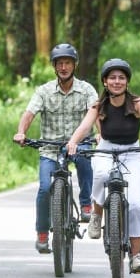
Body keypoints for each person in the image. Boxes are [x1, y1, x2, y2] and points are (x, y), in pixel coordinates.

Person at [66, 58, 140, 274]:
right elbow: (84, 127)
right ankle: (97, 214)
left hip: (132, 152)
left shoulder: (138, 103)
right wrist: (73, 142)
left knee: (137, 204)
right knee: (101, 175)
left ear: (127, 82)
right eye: (113, 78)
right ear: (105, 82)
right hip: (106, 149)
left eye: (121, 78)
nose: (117, 81)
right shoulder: (99, 105)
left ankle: (137, 256)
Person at [12, 43, 98, 254]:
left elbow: (95, 115)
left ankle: (86, 204)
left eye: (67, 63)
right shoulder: (44, 91)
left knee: (86, 161)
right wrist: (21, 132)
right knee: (43, 189)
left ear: (74, 65)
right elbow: (29, 114)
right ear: (54, 67)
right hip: (50, 147)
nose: (63, 67)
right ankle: (42, 233)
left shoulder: (86, 89)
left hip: (79, 145)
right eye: (59, 63)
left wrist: (100, 134)